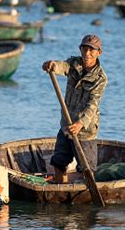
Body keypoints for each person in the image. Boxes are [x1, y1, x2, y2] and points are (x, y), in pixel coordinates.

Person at [42, 34, 108, 184]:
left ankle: (83, 195)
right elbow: (62, 66)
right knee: (58, 162)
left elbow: (93, 104)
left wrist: (80, 123)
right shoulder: (74, 64)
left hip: (85, 131)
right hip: (66, 124)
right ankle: (61, 188)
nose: (87, 53)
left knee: (87, 170)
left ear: (99, 53)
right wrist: (52, 65)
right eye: (84, 49)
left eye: (91, 50)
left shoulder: (100, 78)